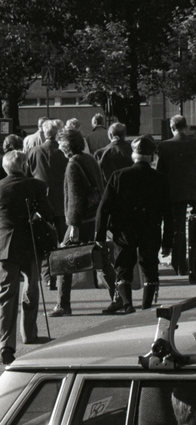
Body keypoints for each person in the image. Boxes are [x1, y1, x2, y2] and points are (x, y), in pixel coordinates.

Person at [95, 134, 172, 313]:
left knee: (123, 268)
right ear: (152, 157)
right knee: (150, 268)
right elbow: (169, 213)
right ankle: (146, 305)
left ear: (133, 156)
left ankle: (128, 303)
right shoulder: (160, 178)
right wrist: (168, 241)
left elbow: (103, 208)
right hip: (150, 230)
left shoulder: (118, 176)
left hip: (123, 231)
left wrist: (99, 234)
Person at [0, 151, 54, 363]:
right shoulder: (36, 185)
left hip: (5, 244)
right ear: (24, 166)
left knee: (6, 293)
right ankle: (29, 333)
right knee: (31, 287)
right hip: (30, 242)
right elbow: (48, 213)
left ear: (5, 168)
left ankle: (6, 343)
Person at [54, 128, 114, 317]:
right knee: (101, 259)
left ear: (66, 145)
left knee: (64, 260)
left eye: (60, 144)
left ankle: (63, 305)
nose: (59, 148)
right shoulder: (89, 159)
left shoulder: (73, 163)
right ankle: (120, 297)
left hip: (81, 220)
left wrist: (73, 226)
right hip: (94, 217)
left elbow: (75, 198)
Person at [157, 115, 196, 279]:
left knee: (177, 228)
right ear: (186, 127)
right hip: (195, 189)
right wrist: (195, 177)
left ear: (172, 128)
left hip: (175, 191)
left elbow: (160, 172)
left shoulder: (165, 146)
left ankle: (180, 265)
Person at [30, 121, 67, 297]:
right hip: (61, 202)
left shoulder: (34, 152)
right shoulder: (63, 152)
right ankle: (62, 276)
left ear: (44, 133)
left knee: (45, 242)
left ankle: (48, 277)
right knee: (63, 242)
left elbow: (28, 175)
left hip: (42, 203)